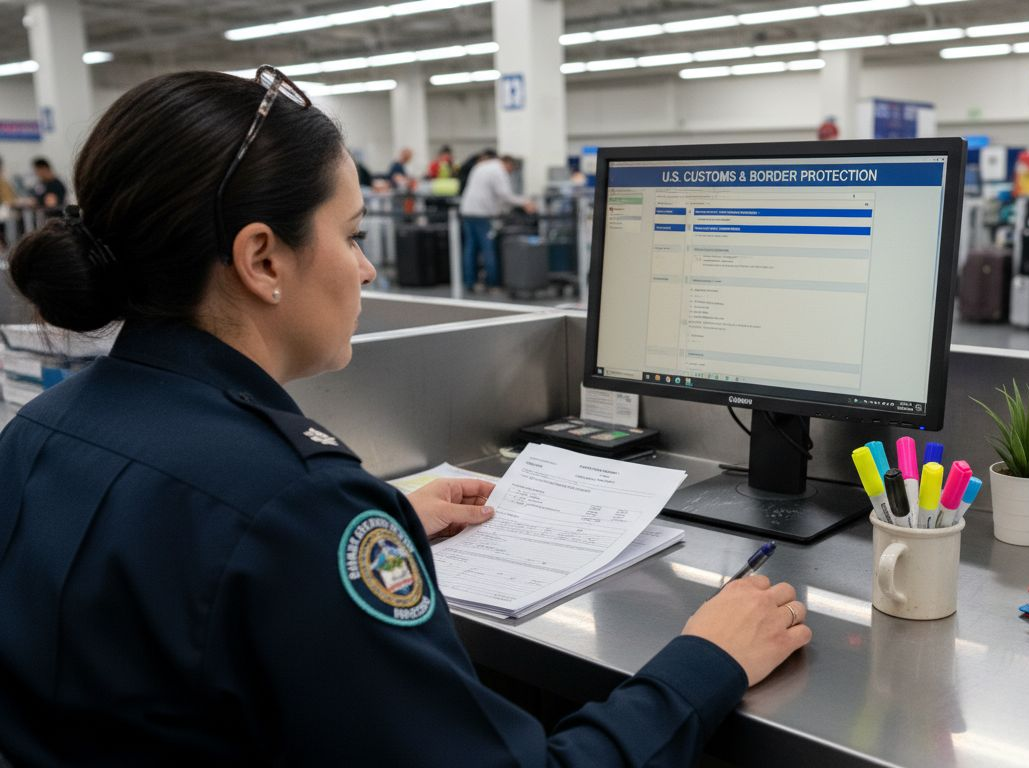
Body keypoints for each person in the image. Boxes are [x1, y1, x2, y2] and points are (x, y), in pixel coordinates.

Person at [0, 69, 810, 764]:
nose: (367, 266)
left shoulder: (39, 431)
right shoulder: (299, 506)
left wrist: (369, 527)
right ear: (261, 259)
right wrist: (703, 661)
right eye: (350, 235)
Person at [459, 153, 534, 289]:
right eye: (511, 170)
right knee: (488, 247)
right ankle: (492, 283)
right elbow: (504, 194)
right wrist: (524, 202)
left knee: (470, 248)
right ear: (508, 164)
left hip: (467, 210)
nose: (510, 173)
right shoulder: (499, 170)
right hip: (482, 213)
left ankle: (470, 282)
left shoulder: (482, 166)